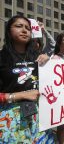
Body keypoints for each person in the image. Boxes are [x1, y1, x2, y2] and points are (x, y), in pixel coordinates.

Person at [0, 15, 54, 143]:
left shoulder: (38, 57)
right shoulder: (1, 57)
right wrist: (19, 96)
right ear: (8, 31)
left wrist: (49, 63)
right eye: (19, 26)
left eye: (28, 28)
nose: (24, 30)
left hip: (39, 116)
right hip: (11, 119)